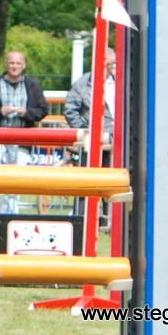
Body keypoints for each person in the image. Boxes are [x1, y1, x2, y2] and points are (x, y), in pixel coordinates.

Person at [0, 50, 48, 214]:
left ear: (24, 65)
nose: (15, 67)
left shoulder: (32, 86)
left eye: (18, 63)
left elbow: (42, 110)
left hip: (22, 136)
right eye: (12, 63)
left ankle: (11, 208)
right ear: (6, 64)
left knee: (16, 175)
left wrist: (26, 113)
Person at [64, 52, 116, 219]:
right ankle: (83, 217)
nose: (108, 69)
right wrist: (85, 132)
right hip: (92, 142)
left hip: (117, 141)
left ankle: (111, 219)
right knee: (86, 181)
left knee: (113, 182)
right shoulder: (83, 83)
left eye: (111, 65)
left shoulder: (121, 82)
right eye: (105, 65)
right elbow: (70, 109)